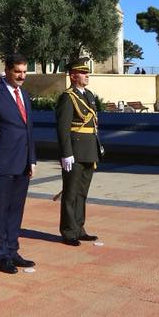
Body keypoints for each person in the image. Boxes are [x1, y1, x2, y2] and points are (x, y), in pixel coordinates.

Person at [0, 54, 36, 273]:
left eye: (24, 72)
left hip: (22, 163)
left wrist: (32, 159)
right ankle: (1, 255)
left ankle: (13, 250)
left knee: (16, 210)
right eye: (17, 72)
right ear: (7, 70)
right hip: (1, 165)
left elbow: (28, 129)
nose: (22, 76)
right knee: (1, 211)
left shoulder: (24, 94)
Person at [55, 58, 102, 246]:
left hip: (89, 149)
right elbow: (62, 127)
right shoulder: (68, 97)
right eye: (83, 73)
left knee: (82, 193)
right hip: (74, 151)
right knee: (70, 193)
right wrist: (66, 153)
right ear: (73, 76)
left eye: (87, 72)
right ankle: (68, 231)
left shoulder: (88, 95)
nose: (87, 75)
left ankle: (79, 228)